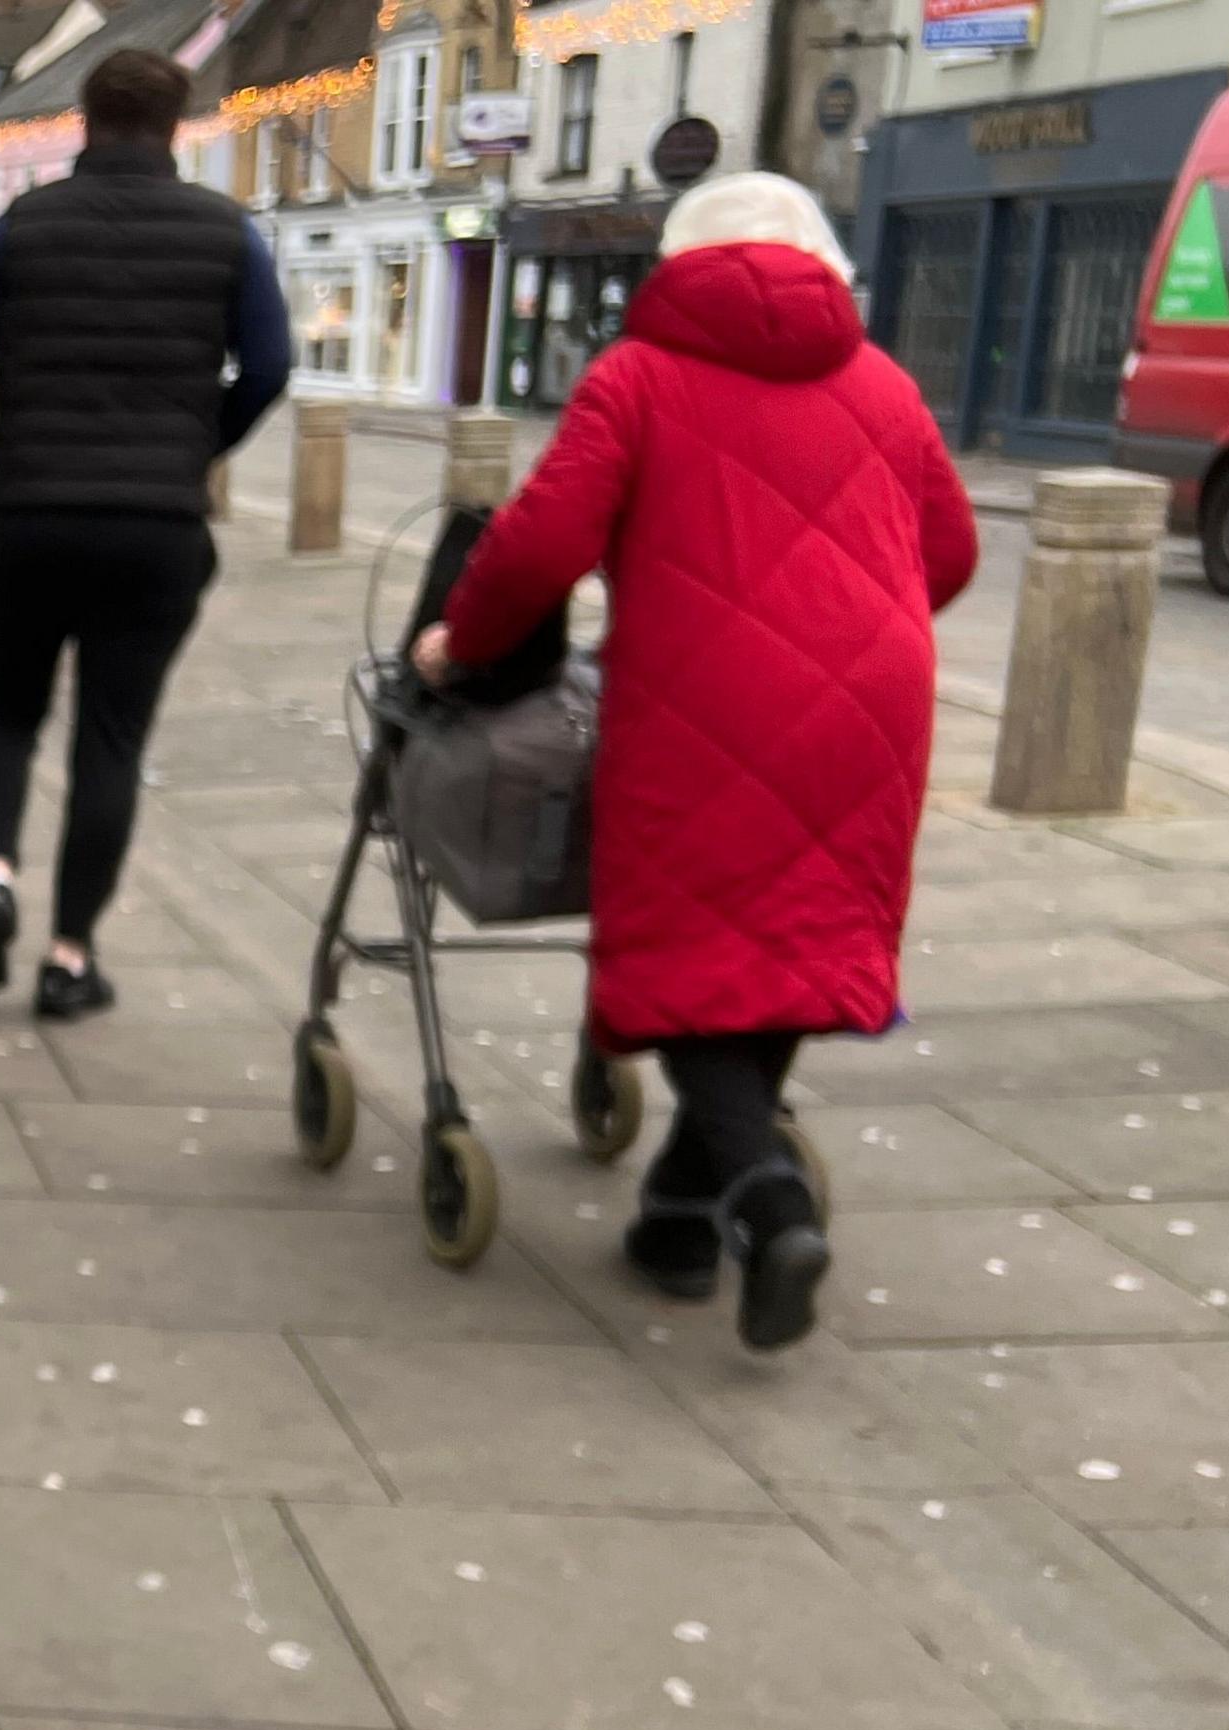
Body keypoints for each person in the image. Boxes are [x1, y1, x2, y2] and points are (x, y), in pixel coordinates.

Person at [412, 173, 977, 1350]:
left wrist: (456, 640)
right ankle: (677, 1214)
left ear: (682, 263)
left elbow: (543, 544)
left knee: (689, 946)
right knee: (803, 935)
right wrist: (856, 616)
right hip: (876, 701)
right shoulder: (885, 384)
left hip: (702, 695)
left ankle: (768, 1206)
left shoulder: (639, 378)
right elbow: (952, 552)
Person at [0, 50, 292, 1020]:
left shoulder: (22, 228)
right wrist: (202, 443)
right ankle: (69, 957)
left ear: (85, 119)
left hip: (29, 518)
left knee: (6, 712)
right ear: (176, 126)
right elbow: (273, 366)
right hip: (156, 532)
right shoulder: (226, 233)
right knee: (109, 742)